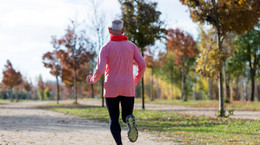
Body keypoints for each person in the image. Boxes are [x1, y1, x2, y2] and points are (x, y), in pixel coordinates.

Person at [86, 19, 146, 145]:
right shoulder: (131, 46)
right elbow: (143, 65)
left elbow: (100, 69)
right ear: (123, 31)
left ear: (109, 31)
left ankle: (119, 144)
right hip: (128, 85)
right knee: (126, 115)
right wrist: (136, 79)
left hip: (111, 87)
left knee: (113, 118)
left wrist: (92, 79)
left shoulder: (105, 48)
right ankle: (129, 119)